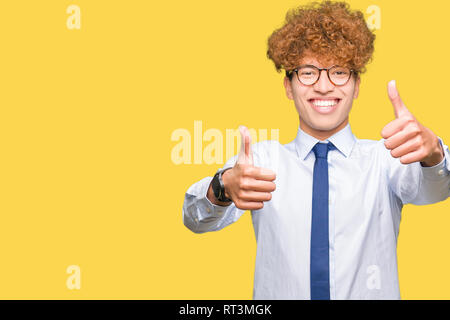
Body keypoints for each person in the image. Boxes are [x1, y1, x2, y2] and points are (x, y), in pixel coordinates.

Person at [182, 1, 450, 299]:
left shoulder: (386, 158)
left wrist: (433, 154)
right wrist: (222, 187)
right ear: (288, 86)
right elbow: (195, 219)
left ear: (357, 85)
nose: (323, 86)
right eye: (309, 72)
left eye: (338, 72)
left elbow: (438, 189)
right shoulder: (260, 161)